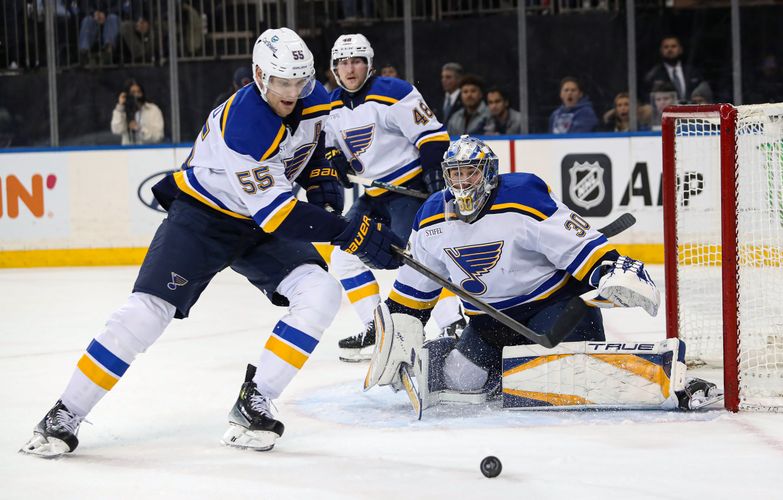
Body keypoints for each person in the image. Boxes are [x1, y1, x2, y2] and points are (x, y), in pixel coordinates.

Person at [20, 27, 403, 458]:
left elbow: (316, 143)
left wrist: (322, 172)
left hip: (256, 220)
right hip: (203, 218)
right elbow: (278, 214)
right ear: (259, 76)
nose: (291, 91)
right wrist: (350, 233)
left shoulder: (314, 96)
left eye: (299, 81)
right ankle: (65, 411)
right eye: (281, 82)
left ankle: (254, 400)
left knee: (320, 291)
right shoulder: (245, 125)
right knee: (147, 312)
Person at [371, 136, 676, 403]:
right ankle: (459, 357)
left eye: (470, 174)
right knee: (460, 381)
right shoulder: (430, 218)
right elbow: (412, 294)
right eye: (456, 175)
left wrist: (611, 270)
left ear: (488, 173)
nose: (462, 183)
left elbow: (580, 246)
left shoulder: (523, 197)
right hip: (488, 324)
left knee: (571, 376)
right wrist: (399, 337)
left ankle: (524, 370)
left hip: (553, 310)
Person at [323, 33, 465, 362]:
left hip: (408, 191)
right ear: (334, 68)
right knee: (343, 256)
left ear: (369, 64)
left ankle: (452, 323)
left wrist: (434, 179)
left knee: (417, 257)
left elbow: (433, 137)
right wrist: (335, 161)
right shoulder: (331, 106)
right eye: (343, 62)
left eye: (357, 60)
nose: (350, 68)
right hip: (374, 195)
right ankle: (380, 329)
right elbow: (328, 148)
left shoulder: (395, 92)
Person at [642, 35, 705, 104]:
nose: (670, 49)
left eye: (673, 46)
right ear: (661, 51)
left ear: (680, 50)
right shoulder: (653, 75)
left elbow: (703, 93)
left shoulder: (693, 72)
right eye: (666, 47)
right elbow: (648, 99)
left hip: (692, 112)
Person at [110, 79, 165, 145]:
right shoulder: (122, 111)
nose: (136, 95)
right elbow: (116, 130)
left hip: (149, 152)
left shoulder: (153, 110)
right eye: (133, 92)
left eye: (138, 92)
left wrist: (140, 129)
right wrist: (120, 106)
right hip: (128, 152)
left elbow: (158, 137)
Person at [78, 1, 120, 66]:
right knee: (87, 20)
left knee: (112, 18)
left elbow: (119, 6)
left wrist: (105, 14)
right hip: (94, 17)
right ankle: (84, 52)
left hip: (111, 15)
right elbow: (84, 5)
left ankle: (108, 51)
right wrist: (94, 13)